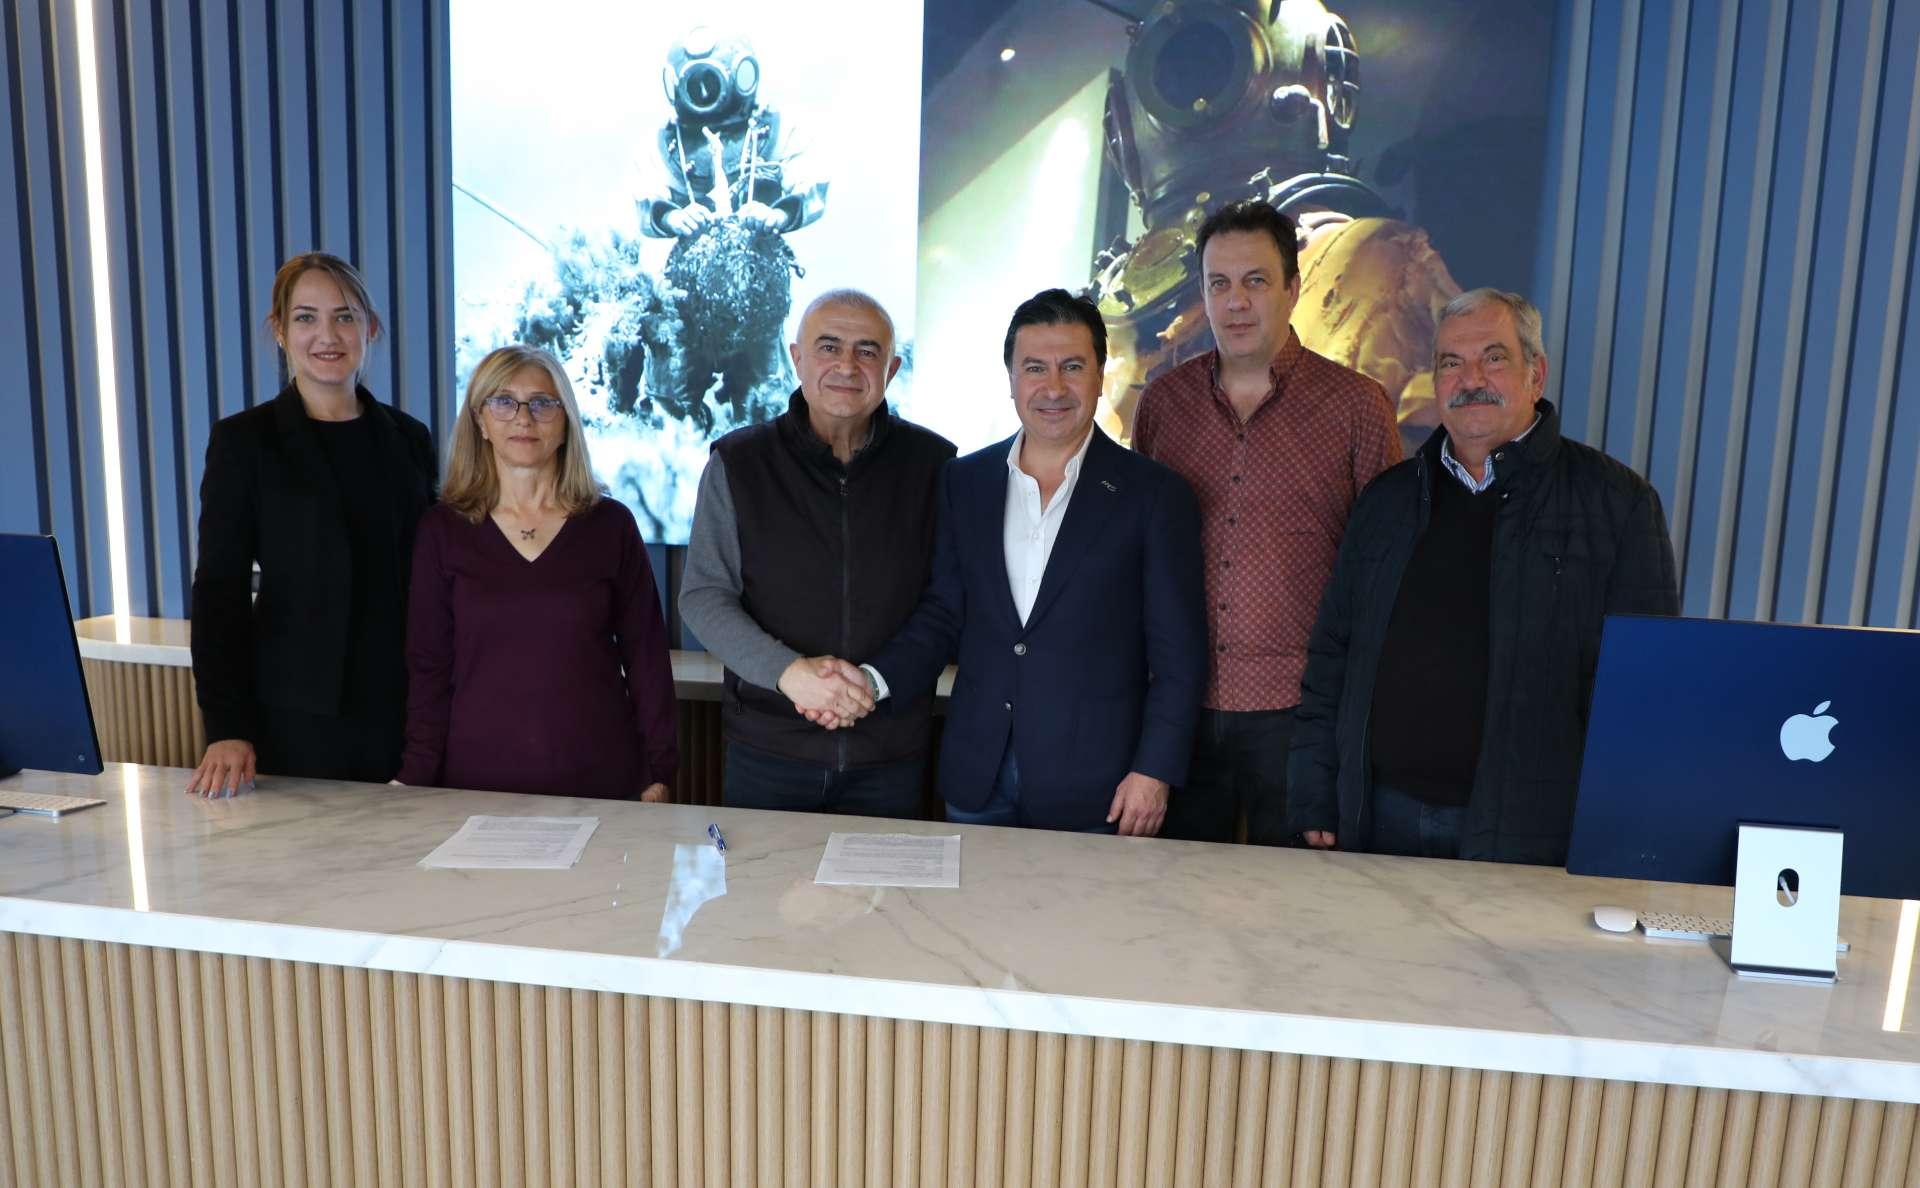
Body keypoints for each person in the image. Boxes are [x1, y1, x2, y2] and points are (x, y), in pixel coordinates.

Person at [1288, 288, 1679, 863]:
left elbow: (1644, 691)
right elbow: (1333, 658)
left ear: (1535, 374)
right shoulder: (1386, 501)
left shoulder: (1618, 505)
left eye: (1493, 358)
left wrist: (1618, 834)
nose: (1471, 379)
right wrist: (1314, 792)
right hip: (1380, 821)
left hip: (1530, 834)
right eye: (1452, 362)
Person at [850, 289, 1207, 834]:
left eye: (1072, 367)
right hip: (978, 774)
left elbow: (1179, 656)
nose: (1054, 388)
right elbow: (944, 614)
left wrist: (1153, 771)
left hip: (1100, 786)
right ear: (1012, 378)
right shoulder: (965, 482)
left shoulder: (1154, 495)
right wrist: (871, 681)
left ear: (1100, 375)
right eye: (1035, 368)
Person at [1132, 198, 1401, 845]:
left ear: (1292, 288)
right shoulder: (1164, 404)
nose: (1236, 302)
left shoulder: (1357, 407)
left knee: (1294, 898)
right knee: (1175, 891)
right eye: (1219, 284)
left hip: (1301, 715)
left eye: (1255, 281)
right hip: (1182, 709)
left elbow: (1385, 569)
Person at [679, 290, 955, 818]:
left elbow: (946, 604)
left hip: (891, 755)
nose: (847, 366)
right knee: (763, 878)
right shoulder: (738, 462)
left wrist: (872, 684)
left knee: (885, 879)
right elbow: (705, 596)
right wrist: (791, 674)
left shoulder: (936, 466)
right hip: (768, 752)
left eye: (867, 351)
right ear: (796, 358)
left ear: (893, 368)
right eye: (829, 347)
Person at [187, 253, 436, 795]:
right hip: (292, 718)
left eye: (344, 316)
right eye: (306, 317)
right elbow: (219, 591)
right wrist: (226, 726)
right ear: (280, 330)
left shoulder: (409, 439)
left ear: (370, 328)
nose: (327, 335)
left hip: (402, 712)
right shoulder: (244, 442)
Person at [395, 345, 677, 800]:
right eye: (503, 402)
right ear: (480, 421)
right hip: (475, 784)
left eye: (543, 403)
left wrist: (659, 770)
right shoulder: (442, 529)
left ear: (566, 422)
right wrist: (416, 774)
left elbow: (647, 659)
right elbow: (429, 667)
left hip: (600, 779)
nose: (523, 418)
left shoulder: (611, 525)